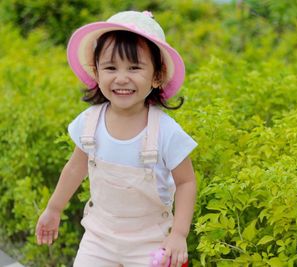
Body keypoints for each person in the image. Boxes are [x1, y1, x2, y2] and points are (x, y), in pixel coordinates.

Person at [35, 10, 197, 267]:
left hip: (150, 241)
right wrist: (53, 209)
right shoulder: (90, 122)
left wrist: (179, 234)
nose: (121, 78)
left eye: (134, 68)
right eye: (110, 67)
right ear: (97, 73)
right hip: (99, 238)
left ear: (157, 75)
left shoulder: (166, 131)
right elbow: (75, 168)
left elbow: (186, 182)